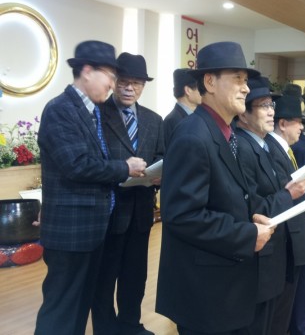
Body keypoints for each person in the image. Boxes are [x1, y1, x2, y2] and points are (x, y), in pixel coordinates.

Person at [155, 41, 275, 335]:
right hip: (204, 292)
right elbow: (182, 215)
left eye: (246, 80)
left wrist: (252, 217)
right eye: (238, 79)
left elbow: (228, 197)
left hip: (226, 287)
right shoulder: (193, 136)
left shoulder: (226, 133)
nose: (246, 88)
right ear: (209, 82)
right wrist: (246, 234)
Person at [35, 40, 147, 335]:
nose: (112, 84)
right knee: (61, 311)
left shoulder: (91, 111)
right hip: (70, 232)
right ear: (87, 71)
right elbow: (77, 165)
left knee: (78, 308)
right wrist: (125, 167)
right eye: (110, 76)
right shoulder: (60, 109)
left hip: (91, 230)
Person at [92, 53, 164, 335]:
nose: (129, 88)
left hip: (141, 210)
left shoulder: (154, 120)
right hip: (108, 211)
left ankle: (130, 325)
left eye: (137, 83)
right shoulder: (98, 114)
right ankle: (105, 328)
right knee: (104, 277)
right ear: (114, 81)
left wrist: (158, 177)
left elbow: (161, 156)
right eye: (124, 81)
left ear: (143, 86)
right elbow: (92, 162)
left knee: (135, 275)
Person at [235, 76, 305, 334]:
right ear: (243, 114)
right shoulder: (242, 147)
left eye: (271, 106)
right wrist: (289, 194)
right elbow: (252, 208)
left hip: (274, 252)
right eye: (263, 106)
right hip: (259, 255)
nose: (271, 112)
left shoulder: (263, 144)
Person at [265, 96, 305, 335]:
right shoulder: (274, 149)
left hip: (295, 232)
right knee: (281, 308)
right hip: (285, 234)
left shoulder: (286, 149)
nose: (302, 128)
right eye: (298, 122)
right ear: (283, 124)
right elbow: (287, 193)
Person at [163, 68, 201, 149]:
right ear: (188, 90)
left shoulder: (198, 116)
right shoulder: (172, 120)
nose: (203, 92)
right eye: (199, 88)